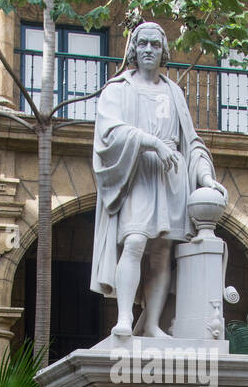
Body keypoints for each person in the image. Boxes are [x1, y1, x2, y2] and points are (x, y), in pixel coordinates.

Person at [91, 21, 225, 337]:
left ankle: (150, 324)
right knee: (136, 241)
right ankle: (124, 318)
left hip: (171, 179)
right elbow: (109, 133)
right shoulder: (118, 89)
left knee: (162, 253)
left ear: (163, 50)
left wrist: (205, 177)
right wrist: (149, 142)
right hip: (138, 174)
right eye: (143, 44)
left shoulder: (173, 92)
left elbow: (190, 141)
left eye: (155, 44)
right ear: (133, 50)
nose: (149, 50)